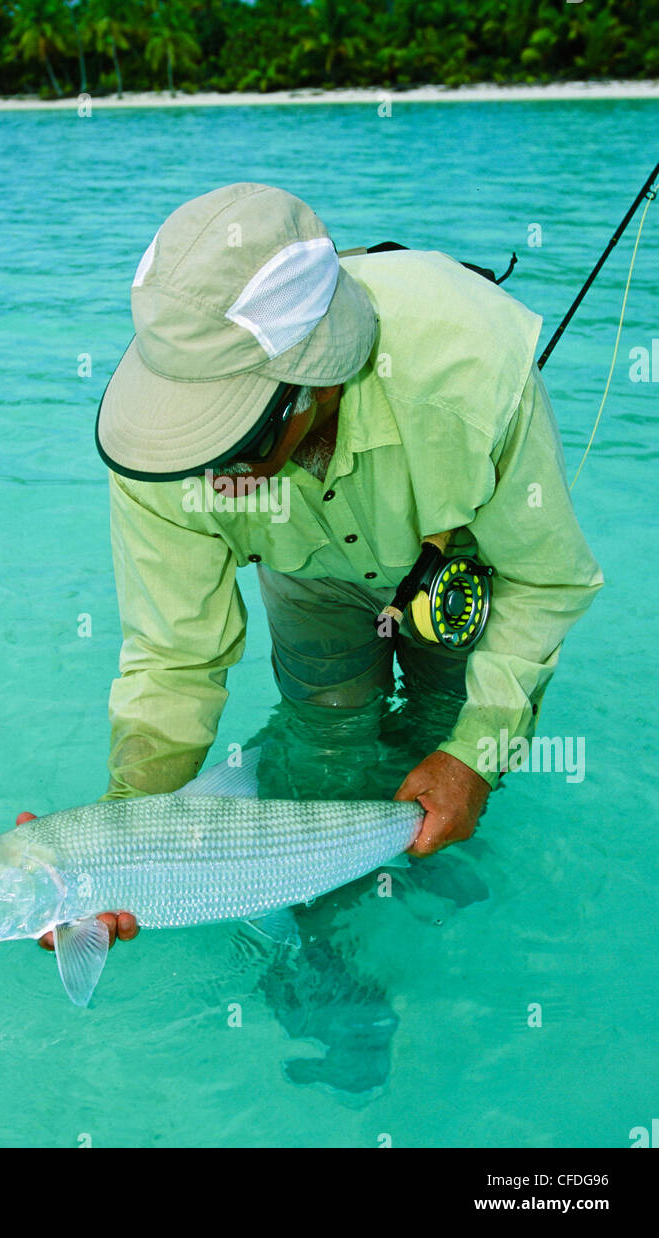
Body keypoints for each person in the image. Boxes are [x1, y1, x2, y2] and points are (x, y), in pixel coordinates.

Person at [32, 181, 603, 954]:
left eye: (233, 441)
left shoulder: (472, 373)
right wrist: (124, 826)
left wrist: (472, 755)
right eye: (192, 442)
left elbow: (544, 578)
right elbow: (174, 653)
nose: (211, 474)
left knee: (445, 715)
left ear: (318, 379)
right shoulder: (155, 455)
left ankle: (435, 884)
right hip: (306, 567)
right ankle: (320, 949)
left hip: (456, 552)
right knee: (323, 735)